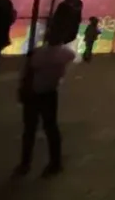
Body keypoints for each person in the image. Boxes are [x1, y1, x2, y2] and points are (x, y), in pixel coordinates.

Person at [15, 26, 76, 176]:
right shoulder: (66, 54)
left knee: (29, 130)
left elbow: (27, 73)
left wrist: (22, 90)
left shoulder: (37, 54)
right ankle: (55, 163)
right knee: (51, 128)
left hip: (33, 94)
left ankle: (25, 163)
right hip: (49, 93)